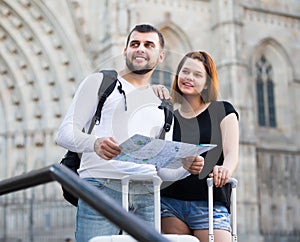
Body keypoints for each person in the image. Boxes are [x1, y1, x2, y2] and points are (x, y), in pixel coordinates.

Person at [55, 24, 201, 242]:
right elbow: (64, 133)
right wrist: (94, 143)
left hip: (147, 194)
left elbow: (161, 170)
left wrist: (186, 168)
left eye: (148, 45)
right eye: (135, 44)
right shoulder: (100, 83)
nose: (140, 48)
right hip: (100, 189)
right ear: (125, 51)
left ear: (160, 56)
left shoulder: (163, 104)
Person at [160, 51, 239, 242]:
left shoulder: (223, 110)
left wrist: (224, 170)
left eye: (197, 75)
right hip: (170, 204)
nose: (189, 78)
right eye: (185, 72)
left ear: (207, 83)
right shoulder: (168, 117)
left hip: (210, 201)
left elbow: (231, 154)